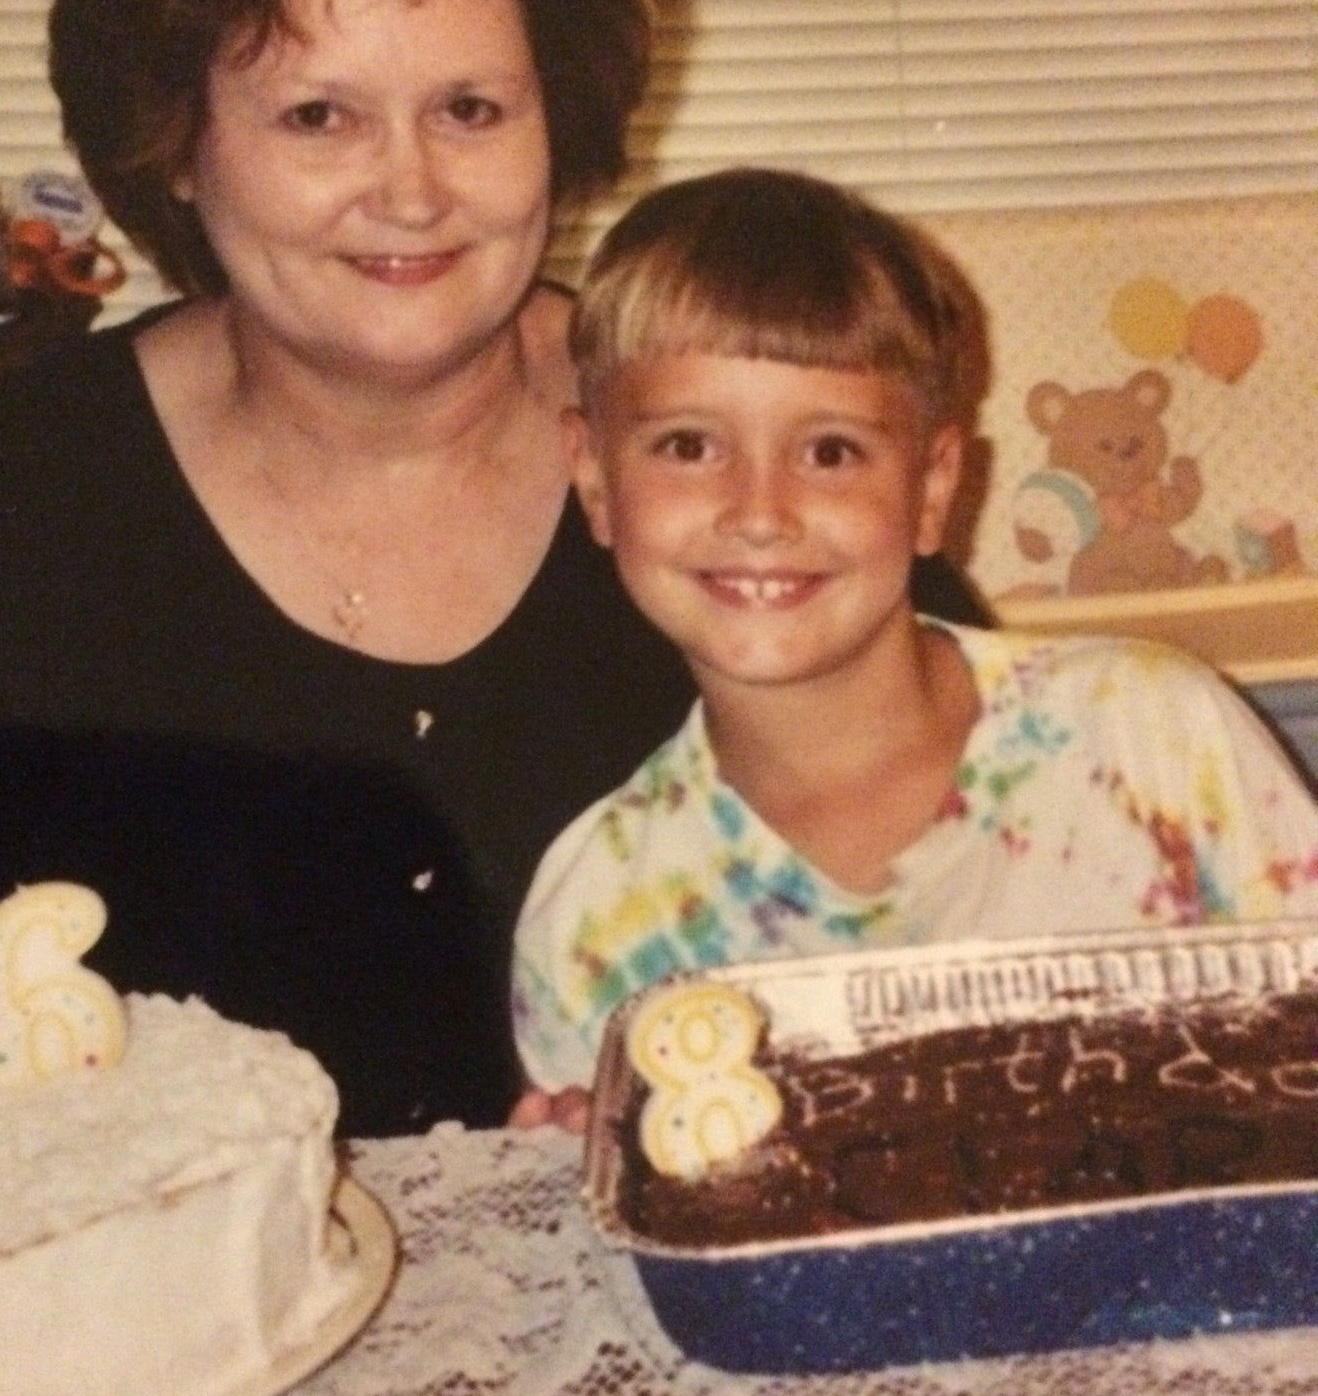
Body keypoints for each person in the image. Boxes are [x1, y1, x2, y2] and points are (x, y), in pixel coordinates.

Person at [0, 0, 984, 1133]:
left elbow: (999, 922)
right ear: (177, 142)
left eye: (470, 107)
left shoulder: (755, 457)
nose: (410, 191)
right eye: (318, 118)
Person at [511, 168, 1318, 1118]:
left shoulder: (1151, 736)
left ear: (934, 488)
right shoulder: (600, 917)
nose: (760, 513)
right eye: (689, 446)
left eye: (831, 452)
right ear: (596, 480)